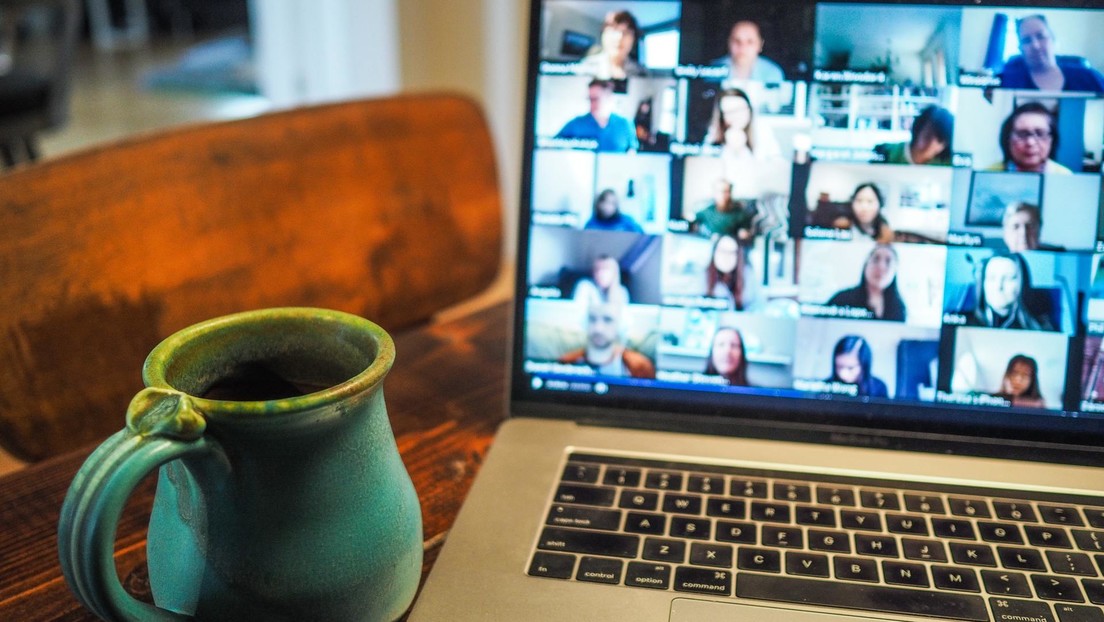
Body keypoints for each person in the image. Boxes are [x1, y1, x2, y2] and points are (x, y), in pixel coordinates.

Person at [998, 15, 1104, 93]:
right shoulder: (1006, 82)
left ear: (1053, 39)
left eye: (1041, 36)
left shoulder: (1088, 77)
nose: (1035, 46)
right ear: (1020, 48)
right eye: (1026, 40)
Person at [558, 302, 655, 378]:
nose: (598, 328)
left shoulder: (640, 367)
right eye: (592, 319)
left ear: (620, 325)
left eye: (607, 320)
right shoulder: (567, 362)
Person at [965, 253, 1055, 331]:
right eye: (991, 278)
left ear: (1022, 283)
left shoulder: (1040, 328)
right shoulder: (963, 321)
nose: (998, 287)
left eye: (1008, 278)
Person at [827, 244, 907, 322]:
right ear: (866, 264)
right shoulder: (841, 299)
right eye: (876, 259)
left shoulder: (899, 308)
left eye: (888, 262)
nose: (881, 267)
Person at [555, 79, 639, 152]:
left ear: (608, 98)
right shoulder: (575, 124)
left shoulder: (625, 124)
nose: (592, 103)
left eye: (596, 99)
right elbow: (553, 146)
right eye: (590, 99)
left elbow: (631, 152)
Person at [987, 102, 1071, 174]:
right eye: (1022, 134)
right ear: (1007, 139)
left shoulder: (1064, 176)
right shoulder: (989, 174)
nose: (1030, 142)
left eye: (1040, 133)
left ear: (1052, 140)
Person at [873, 106, 955, 165]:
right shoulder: (887, 152)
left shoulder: (946, 164)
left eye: (939, 140)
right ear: (918, 129)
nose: (931, 143)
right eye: (928, 134)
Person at [711, 20, 784, 84]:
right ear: (729, 43)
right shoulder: (712, 70)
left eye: (750, 42)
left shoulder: (772, 73)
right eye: (736, 41)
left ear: (760, 45)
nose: (742, 47)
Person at [579, 10, 645, 80]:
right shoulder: (584, 69)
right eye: (614, 30)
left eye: (626, 32)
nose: (619, 37)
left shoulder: (642, 73)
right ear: (603, 35)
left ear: (634, 39)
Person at [705, 234, 745, 310]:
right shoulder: (703, 277)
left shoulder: (747, 278)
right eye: (722, 251)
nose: (726, 256)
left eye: (731, 252)